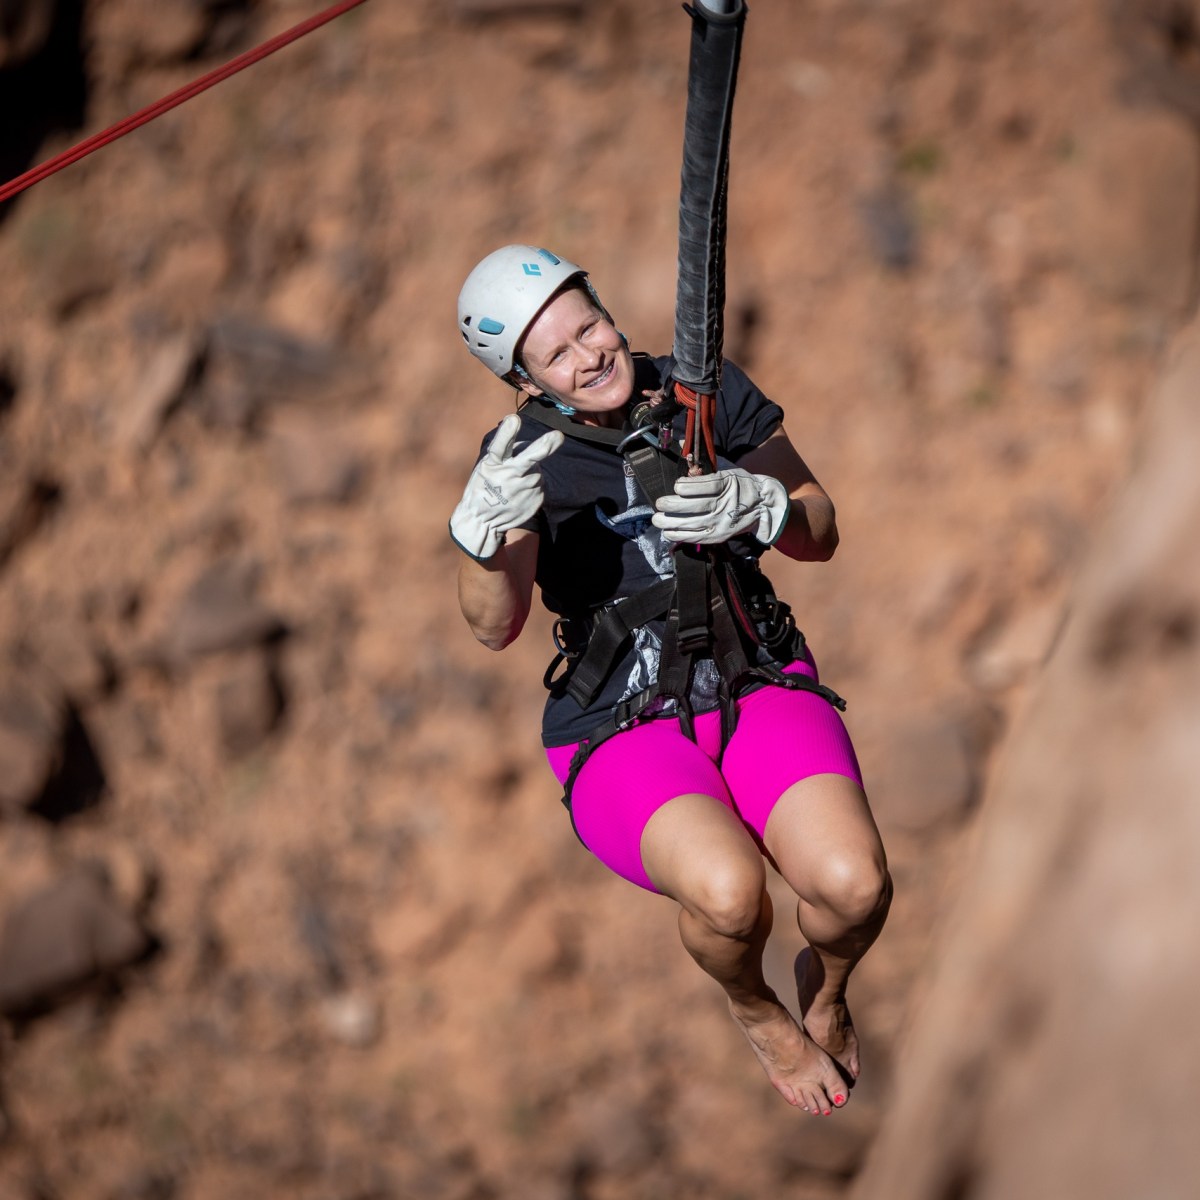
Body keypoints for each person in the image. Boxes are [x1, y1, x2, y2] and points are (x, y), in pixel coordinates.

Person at [450, 245, 892, 1116]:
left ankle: (828, 988)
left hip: (752, 675)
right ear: (527, 382)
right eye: (556, 355)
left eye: (590, 326)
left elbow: (820, 527)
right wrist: (481, 545)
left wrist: (764, 506)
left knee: (854, 886)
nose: (589, 356)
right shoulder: (523, 460)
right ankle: (757, 1008)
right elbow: (495, 626)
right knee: (730, 896)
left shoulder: (703, 390)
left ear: (608, 309)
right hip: (621, 722)